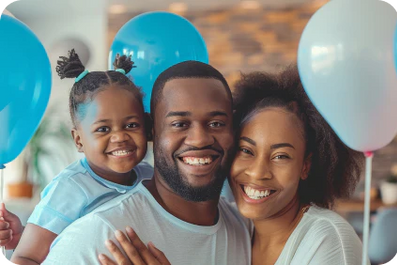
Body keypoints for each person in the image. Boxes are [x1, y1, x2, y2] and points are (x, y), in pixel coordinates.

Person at [99, 64, 368, 265]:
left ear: (306, 166)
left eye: (280, 156)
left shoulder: (328, 240)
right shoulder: (237, 229)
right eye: (246, 150)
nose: (258, 172)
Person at [41, 61, 252, 265]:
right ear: (151, 130)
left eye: (216, 123)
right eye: (179, 124)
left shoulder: (246, 228)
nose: (199, 139)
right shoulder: (101, 234)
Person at [0, 49, 153, 265]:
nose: (119, 137)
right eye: (103, 129)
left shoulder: (149, 176)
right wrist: (26, 238)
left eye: (131, 125)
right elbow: (27, 256)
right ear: (79, 140)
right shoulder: (70, 188)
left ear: (147, 128)